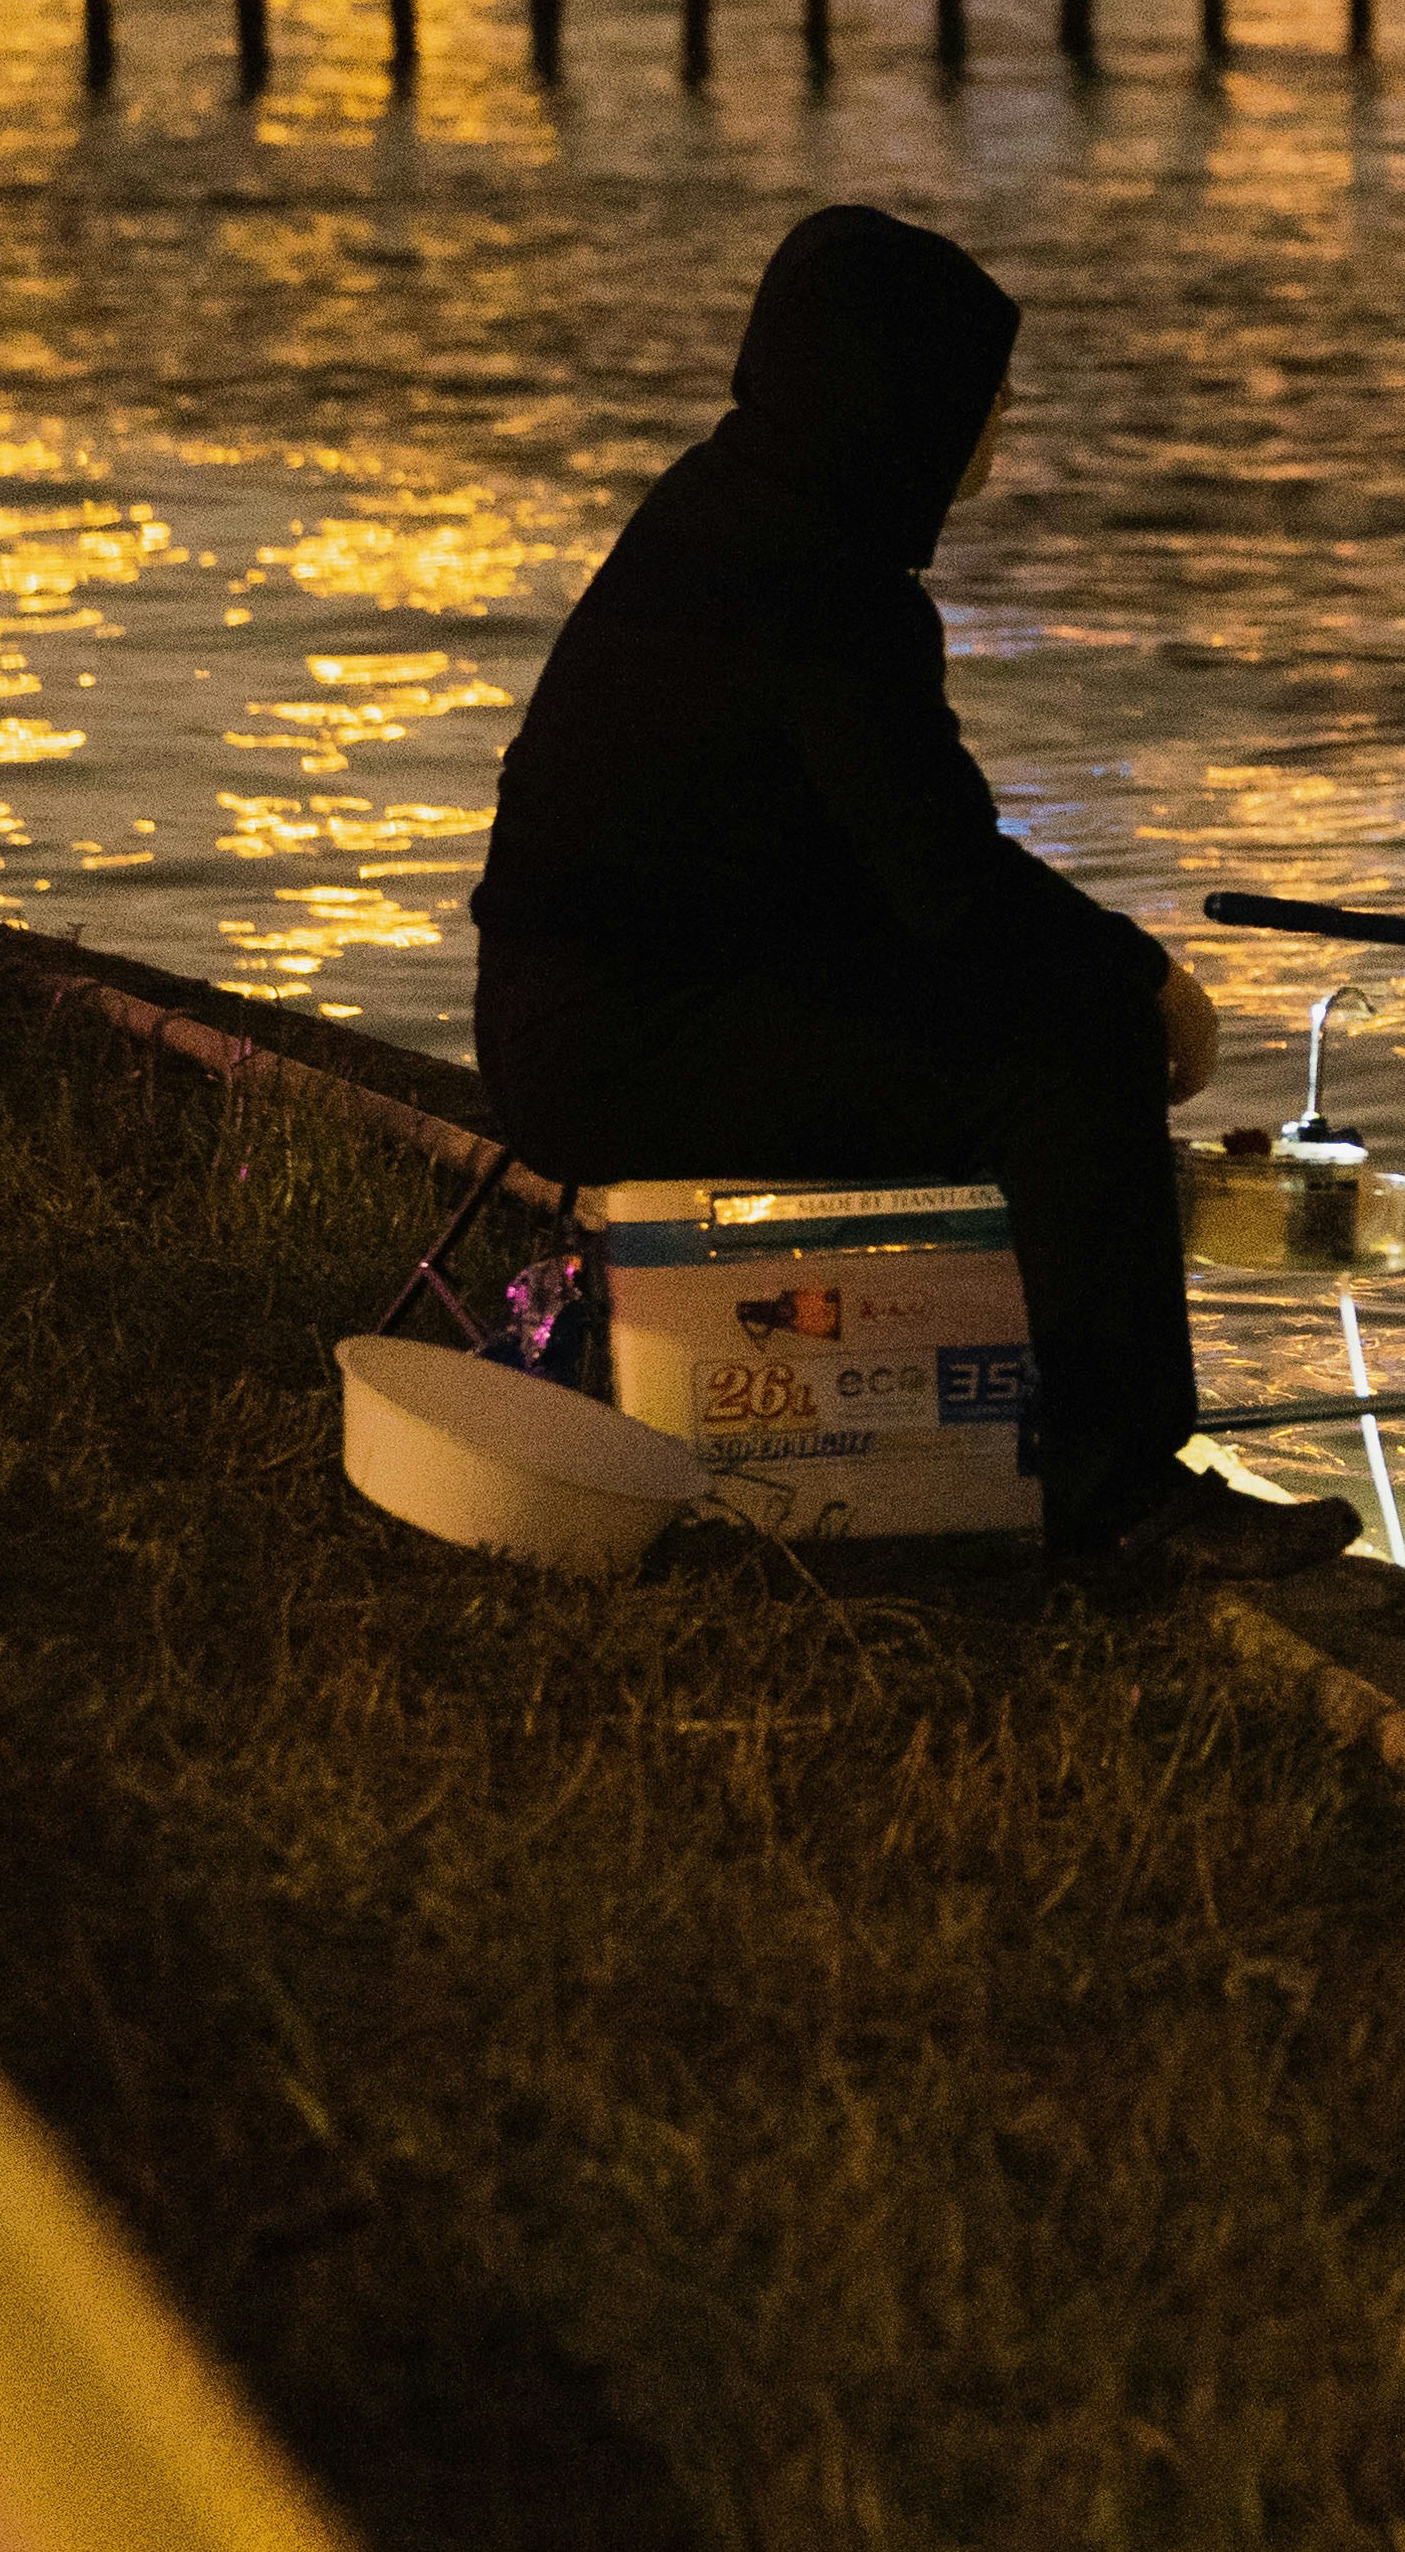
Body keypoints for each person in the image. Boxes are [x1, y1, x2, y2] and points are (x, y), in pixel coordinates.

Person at [471, 205, 1356, 1584]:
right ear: (903, 400)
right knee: (1069, 1055)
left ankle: (1027, 1425)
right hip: (624, 1041)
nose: (1000, 418)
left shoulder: (726, 505)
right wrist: (1145, 984)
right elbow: (951, 881)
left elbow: (879, 860)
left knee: (1027, 1008)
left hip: (597, 1009)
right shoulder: (819, 585)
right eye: (981, 389)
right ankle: (1118, 1489)